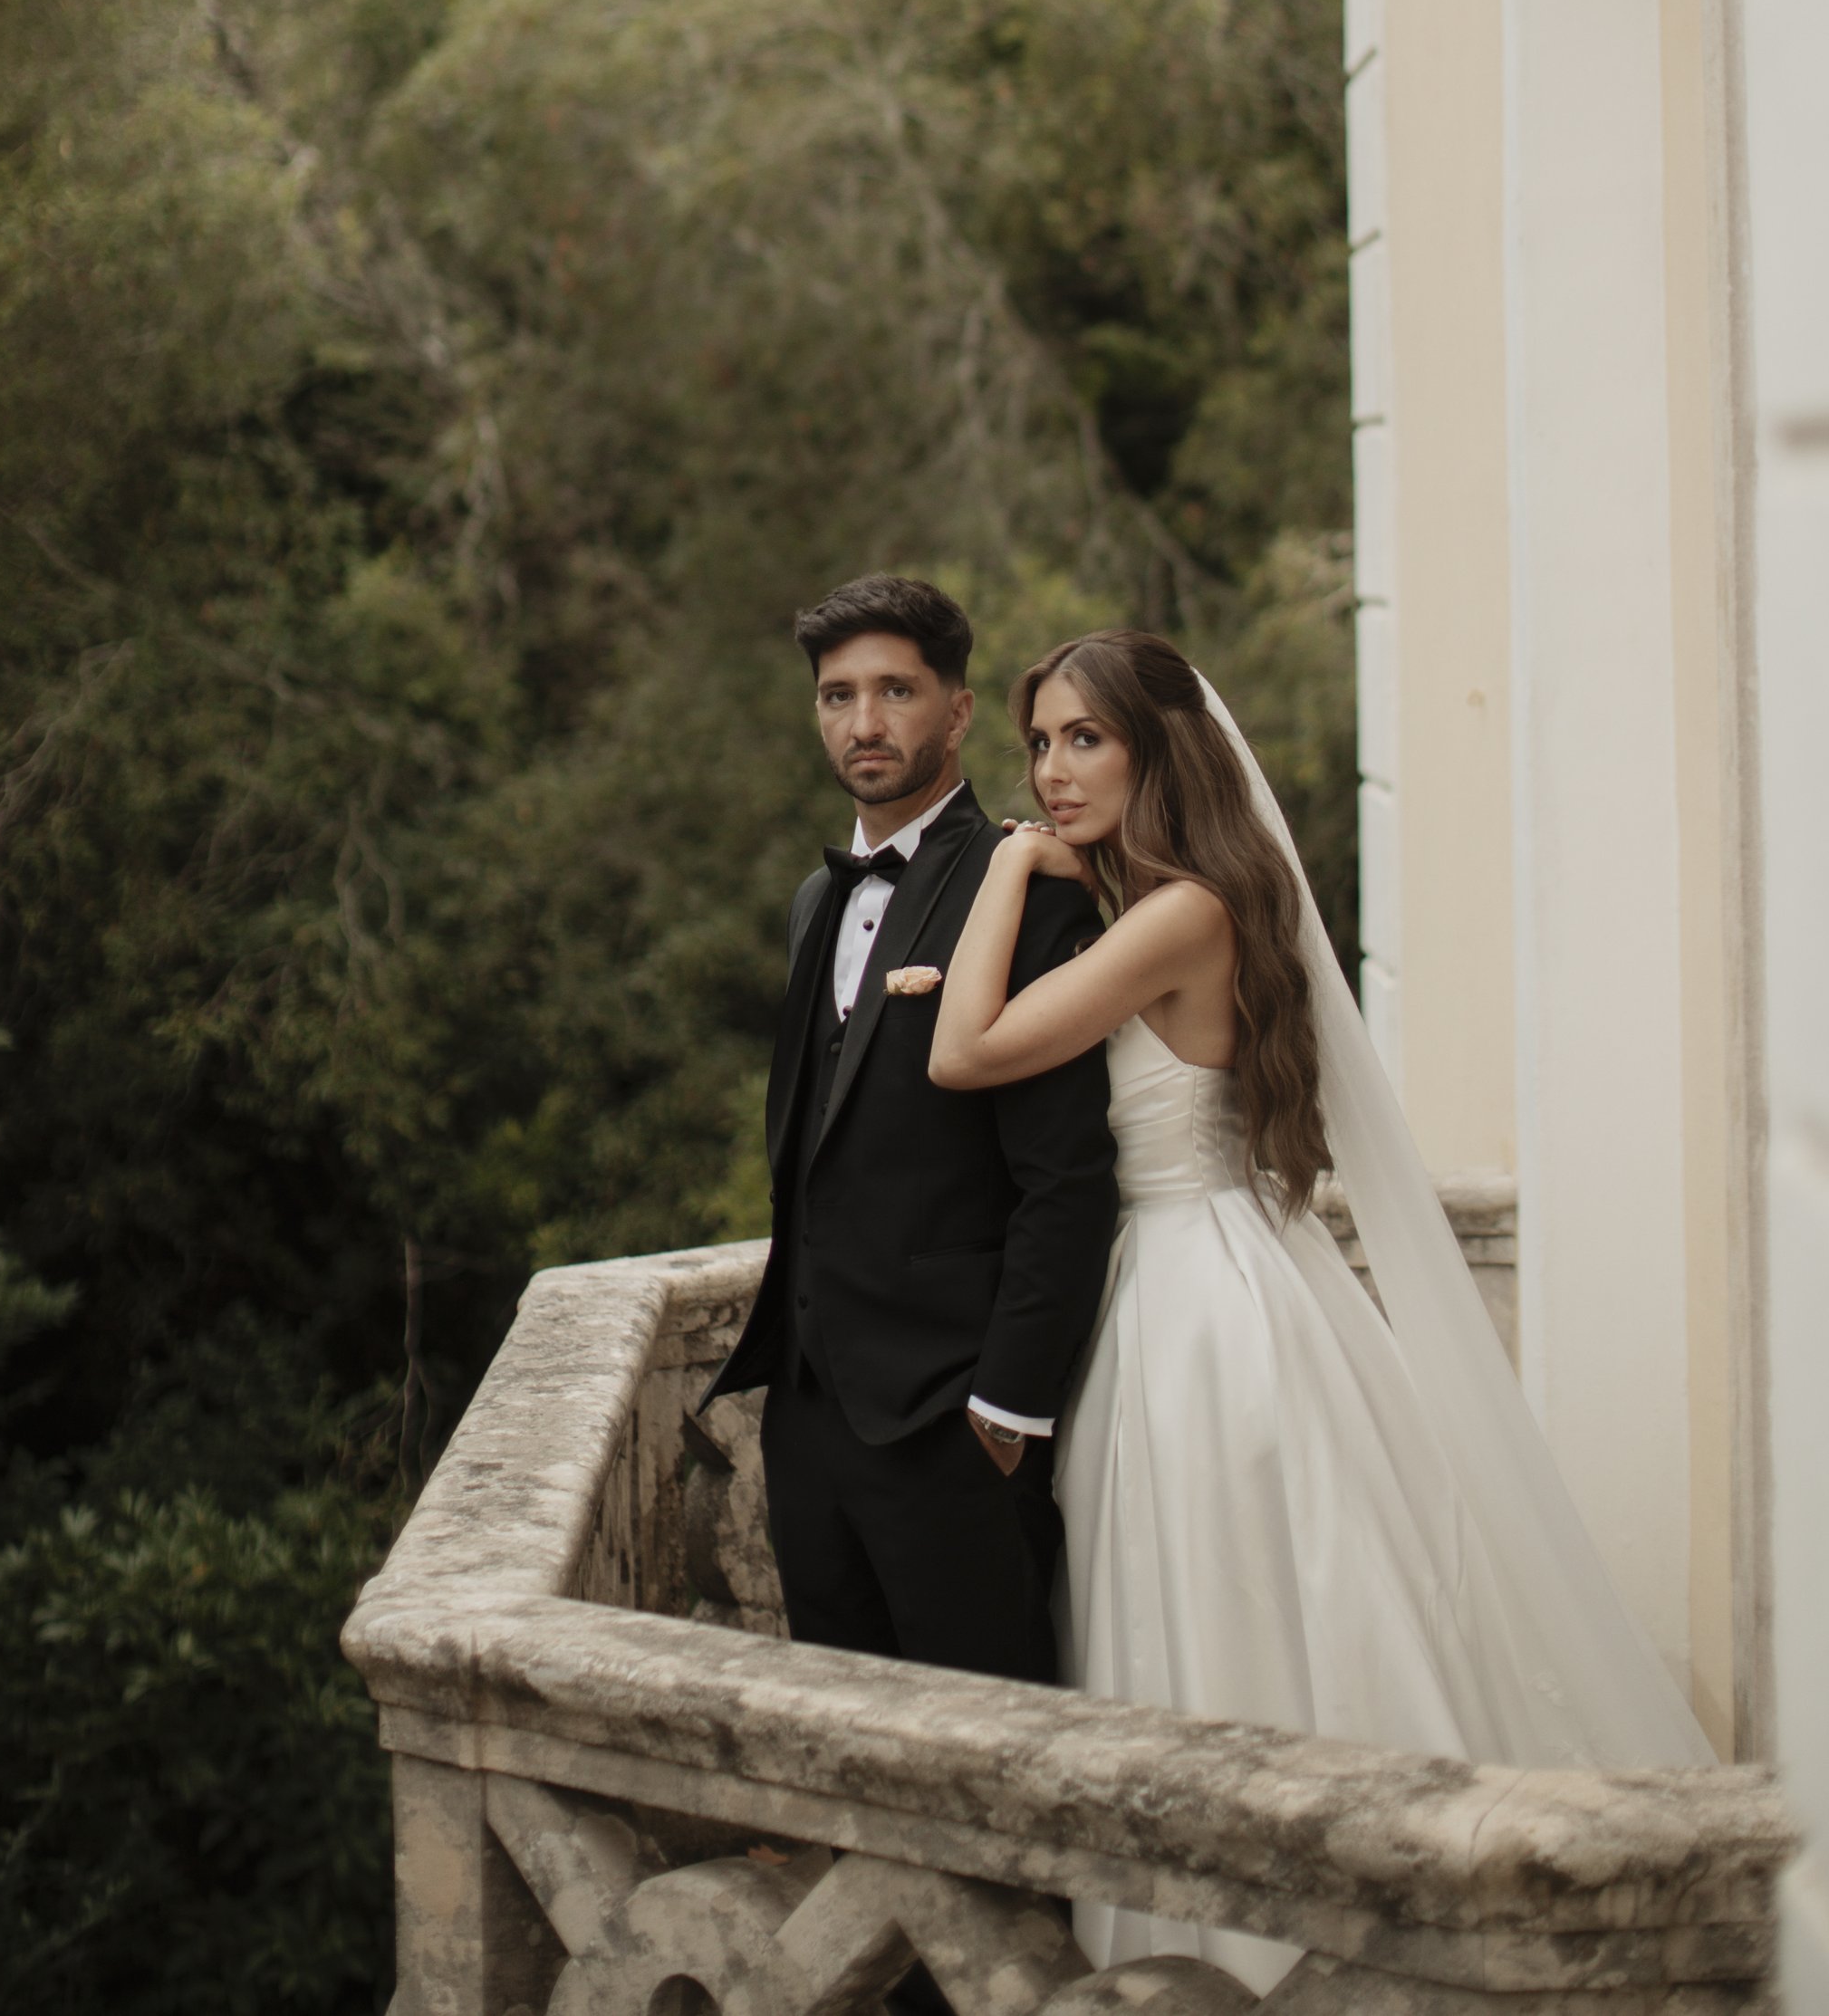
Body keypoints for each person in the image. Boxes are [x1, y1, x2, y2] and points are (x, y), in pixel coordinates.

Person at [929, 627, 1711, 1994]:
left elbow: (969, 1049)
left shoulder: (1180, 914)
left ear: (1161, 750)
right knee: (1233, 1598)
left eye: (1085, 738)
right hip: (1198, 1278)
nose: (1052, 771)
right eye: (1040, 742)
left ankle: (1262, 1948)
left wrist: (1001, 864)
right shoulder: (1171, 903)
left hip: (1199, 1314)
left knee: (1228, 1604)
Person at [705, 573, 1118, 1691]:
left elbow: (1068, 1180)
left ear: (959, 710)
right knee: (848, 1751)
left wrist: (1006, 1407)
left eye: (896, 690)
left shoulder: (1025, 884)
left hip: (952, 1423)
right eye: (838, 696)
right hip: (807, 1417)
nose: (865, 722)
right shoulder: (812, 901)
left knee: (988, 1753)